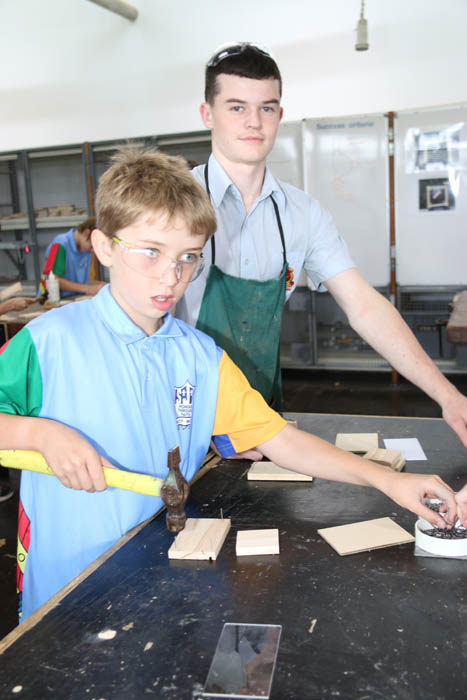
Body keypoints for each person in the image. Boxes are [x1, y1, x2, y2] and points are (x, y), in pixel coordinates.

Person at [0, 148, 457, 623]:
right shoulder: (48, 342)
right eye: (151, 252)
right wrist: (40, 434)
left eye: (188, 257)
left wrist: (388, 480)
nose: (171, 276)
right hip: (65, 583)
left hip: (164, 571)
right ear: (105, 247)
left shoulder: (200, 357)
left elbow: (279, 439)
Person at [176, 42, 467, 448]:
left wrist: (449, 397)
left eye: (266, 108)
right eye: (237, 107)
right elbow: (137, 321)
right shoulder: (171, 201)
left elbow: (364, 306)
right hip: (182, 417)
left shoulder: (303, 214)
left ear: (280, 115)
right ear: (207, 114)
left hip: (262, 421)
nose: (254, 122)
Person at [39, 216, 105, 297]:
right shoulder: (60, 244)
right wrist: (88, 289)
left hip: (72, 299)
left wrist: (103, 286)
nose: (93, 250)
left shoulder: (86, 250)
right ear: (86, 233)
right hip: (51, 299)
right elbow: (53, 279)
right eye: (92, 246)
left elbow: (84, 281)